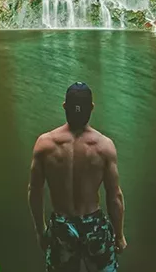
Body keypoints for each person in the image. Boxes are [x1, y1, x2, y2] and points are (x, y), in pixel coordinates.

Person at [28, 82, 126, 272]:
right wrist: (119, 235)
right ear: (92, 108)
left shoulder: (45, 145)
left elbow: (35, 191)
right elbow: (114, 197)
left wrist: (41, 231)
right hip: (94, 227)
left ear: (64, 106)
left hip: (61, 227)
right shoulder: (104, 147)